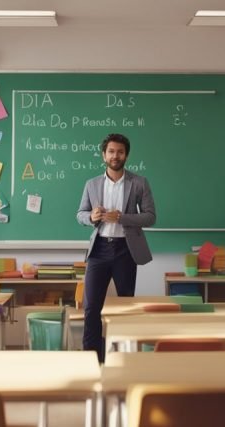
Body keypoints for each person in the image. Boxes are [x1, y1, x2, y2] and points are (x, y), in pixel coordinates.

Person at [76, 133, 156, 362]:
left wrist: (122, 218)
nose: (115, 156)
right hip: (99, 249)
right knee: (91, 308)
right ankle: (91, 359)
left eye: (120, 152)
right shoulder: (92, 184)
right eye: (111, 151)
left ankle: (123, 358)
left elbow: (150, 217)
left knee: (125, 307)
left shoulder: (139, 182)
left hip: (125, 250)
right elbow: (79, 214)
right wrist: (91, 217)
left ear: (126, 155)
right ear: (104, 155)